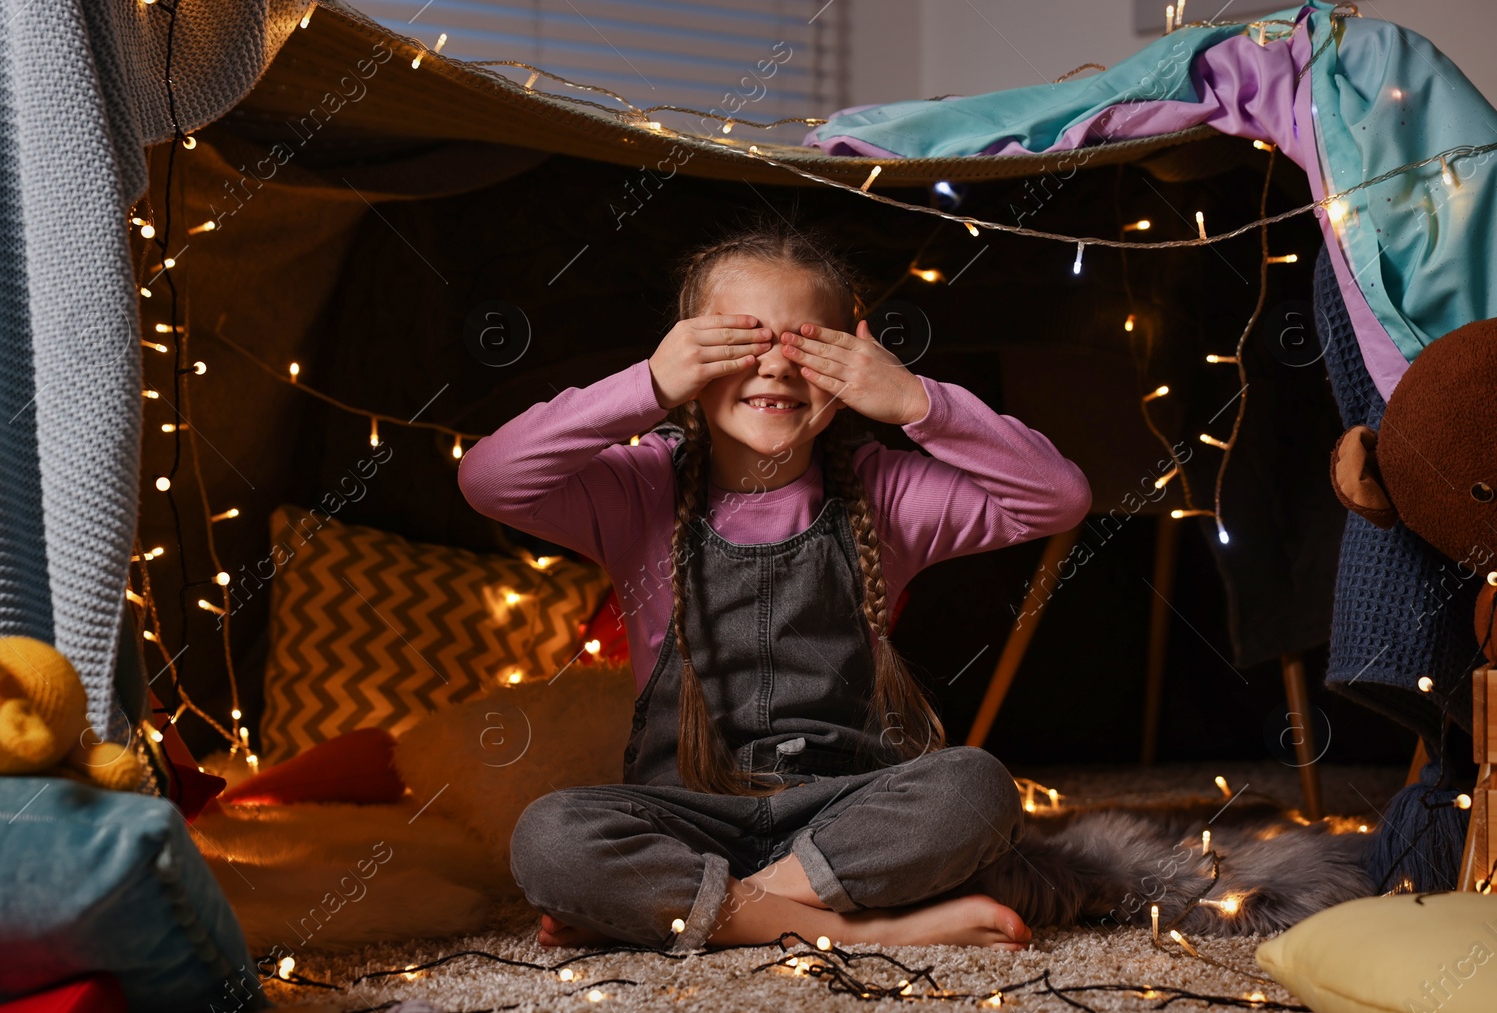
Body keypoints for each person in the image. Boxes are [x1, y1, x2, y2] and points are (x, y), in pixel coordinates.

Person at [457, 218, 1091, 954]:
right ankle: (876, 929)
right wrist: (648, 384)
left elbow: (1058, 496)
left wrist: (915, 400)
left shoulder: (882, 493)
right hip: (686, 816)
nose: (777, 369)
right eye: (741, 343)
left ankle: (718, 910)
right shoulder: (638, 487)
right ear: (690, 354)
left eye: (807, 347)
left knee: (975, 789)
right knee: (551, 836)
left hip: (841, 817)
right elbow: (487, 477)